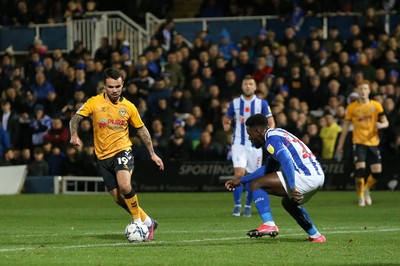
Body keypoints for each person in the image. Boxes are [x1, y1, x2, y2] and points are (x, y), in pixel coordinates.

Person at [69, 68, 164, 240]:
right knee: (118, 198)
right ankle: (148, 222)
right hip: (103, 157)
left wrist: (152, 153)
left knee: (125, 186)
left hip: (123, 150)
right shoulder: (94, 102)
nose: (115, 90)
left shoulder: (128, 107)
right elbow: (75, 118)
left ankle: (137, 222)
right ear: (104, 86)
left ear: (123, 85)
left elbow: (142, 130)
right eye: (111, 87)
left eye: (118, 86)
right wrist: (74, 134)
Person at [225, 114, 326, 242]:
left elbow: (287, 160)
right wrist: (240, 181)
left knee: (256, 185)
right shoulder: (278, 134)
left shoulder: (271, 141)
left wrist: (292, 186)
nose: (250, 138)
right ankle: (316, 236)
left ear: (259, 131)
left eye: (250, 134)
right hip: (318, 177)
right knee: (288, 203)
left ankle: (269, 225)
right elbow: (267, 169)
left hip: (305, 176)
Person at [223, 75, 275, 217]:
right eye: (246, 84)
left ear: (255, 87)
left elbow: (271, 121)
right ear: (242, 86)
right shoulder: (235, 102)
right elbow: (227, 117)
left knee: (252, 176)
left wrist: (268, 136)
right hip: (239, 142)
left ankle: (247, 206)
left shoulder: (262, 103)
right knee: (239, 174)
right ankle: (237, 205)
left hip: (255, 145)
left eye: (251, 84)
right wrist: (226, 125)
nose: (248, 86)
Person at [336, 80, 389, 206]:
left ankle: (366, 189)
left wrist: (381, 125)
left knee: (377, 171)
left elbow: (386, 122)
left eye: (365, 88)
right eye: (360, 89)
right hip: (359, 142)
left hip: (373, 142)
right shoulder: (352, 107)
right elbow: (345, 127)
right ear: (357, 91)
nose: (363, 91)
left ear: (369, 91)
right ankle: (360, 197)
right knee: (360, 169)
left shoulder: (376, 106)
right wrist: (340, 144)